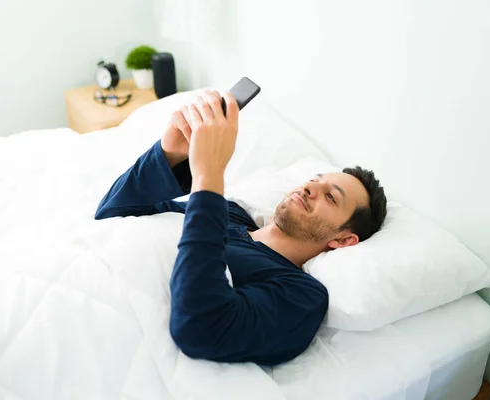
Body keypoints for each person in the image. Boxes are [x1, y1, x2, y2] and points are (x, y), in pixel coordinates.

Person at [95, 89, 387, 366]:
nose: (311, 187)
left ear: (344, 239)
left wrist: (209, 176)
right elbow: (114, 210)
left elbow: (199, 329)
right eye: (316, 179)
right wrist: (170, 153)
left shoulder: (300, 295)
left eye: (331, 196)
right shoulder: (229, 214)